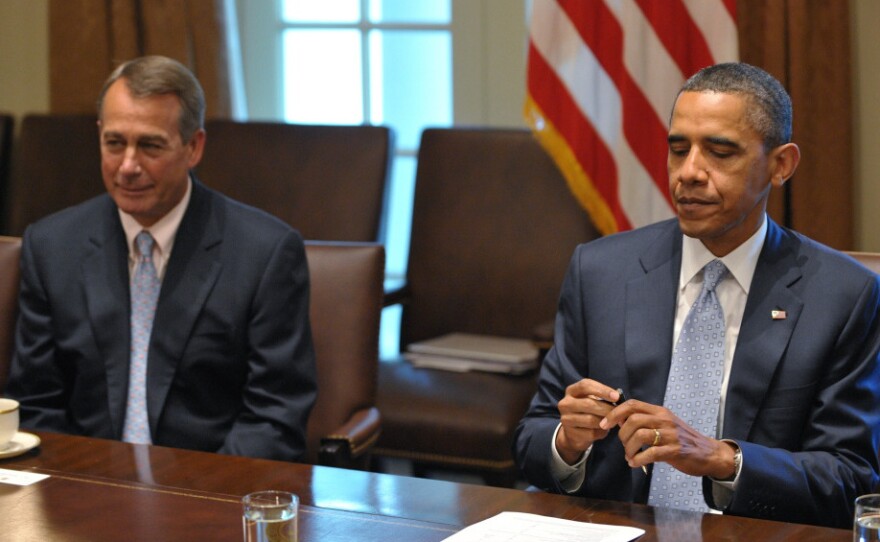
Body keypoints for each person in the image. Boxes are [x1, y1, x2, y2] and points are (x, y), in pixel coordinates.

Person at [514, 62, 880, 529]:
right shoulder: (600, 271)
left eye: (720, 152)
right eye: (678, 149)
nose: (689, 173)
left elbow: (850, 479)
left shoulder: (843, 295)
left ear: (781, 165)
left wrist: (722, 459)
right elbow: (530, 441)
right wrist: (567, 441)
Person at [6, 55, 317, 461]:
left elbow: (273, 419)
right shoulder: (52, 245)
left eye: (150, 145)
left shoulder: (265, 253)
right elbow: (36, 405)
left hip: (210, 494)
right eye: (114, 143)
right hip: (84, 492)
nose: (129, 166)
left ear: (193, 147)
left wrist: (191, 503)